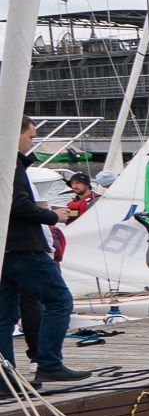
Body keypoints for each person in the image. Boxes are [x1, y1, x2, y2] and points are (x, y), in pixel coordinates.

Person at [1, 119, 83, 384]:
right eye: (31, 137)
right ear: (16, 135)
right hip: (24, 247)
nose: (31, 142)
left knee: (4, 316)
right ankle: (48, 363)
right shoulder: (9, 163)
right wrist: (52, 215)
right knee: (59, 300)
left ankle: (6, 379)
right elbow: (18, 206)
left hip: (5, 249)